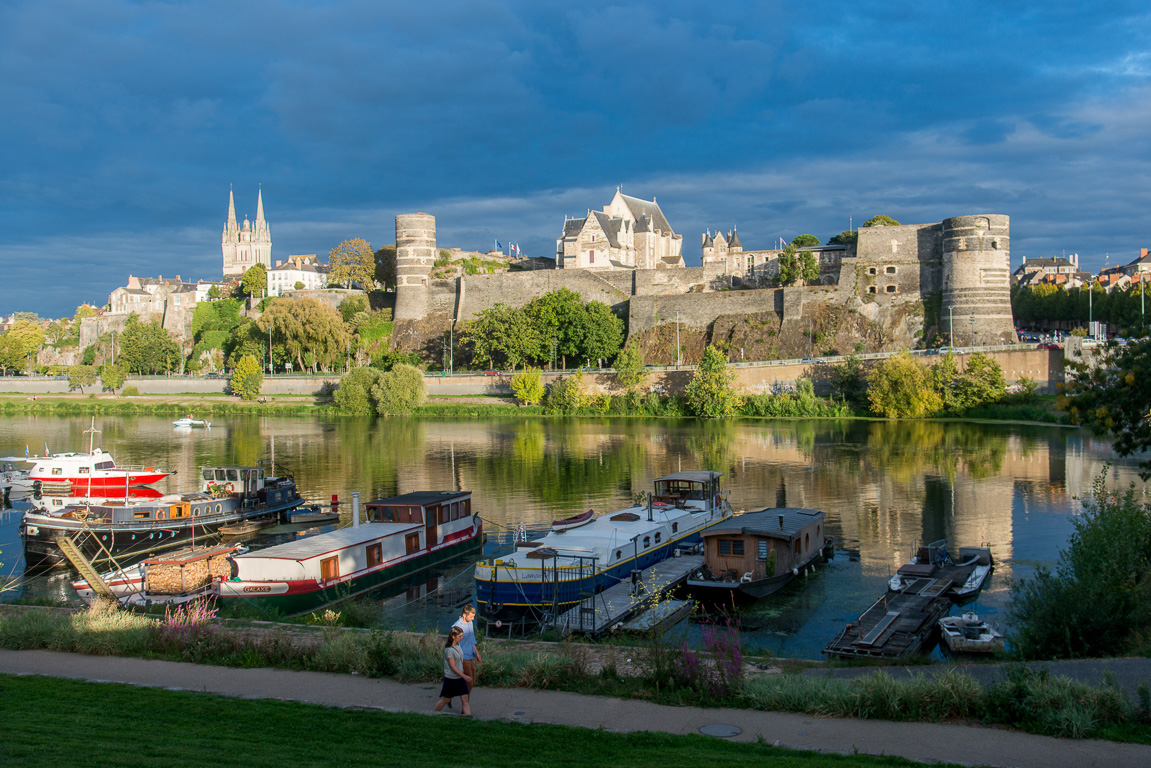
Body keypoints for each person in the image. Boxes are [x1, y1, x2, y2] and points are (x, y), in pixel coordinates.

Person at [432, 626, 471, 715]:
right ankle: (432, 714)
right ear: (453, 637)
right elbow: (453, 667)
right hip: (451, 679)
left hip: (460, 677)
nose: (462, 638)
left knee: (465, 699)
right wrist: (465, 676)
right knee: (446, 699)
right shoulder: (449, 650)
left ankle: (469, 718)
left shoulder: (458, 645)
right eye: (460, 636)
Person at [452, 604, 482, 692]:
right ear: (464, 615)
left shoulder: (470, 623)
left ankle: (450, 694)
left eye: (473, 617)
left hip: (470, 656)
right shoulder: (457, 627)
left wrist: (477, 653)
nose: (473, 619)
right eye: (471, 617)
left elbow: (472, 639)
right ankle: (465, 704)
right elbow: (453, 645)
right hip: (463, 657)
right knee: (469, 683)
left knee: (472, 682)